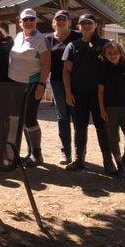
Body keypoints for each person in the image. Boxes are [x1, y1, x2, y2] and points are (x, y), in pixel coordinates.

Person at [62, 13, 125, 173]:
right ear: (79, 26)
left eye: (90, 23)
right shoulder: (72, 46)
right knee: (80, 127)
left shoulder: (106, 44)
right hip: (79, 94)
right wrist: (67, 92)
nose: (86, 25)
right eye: (83, 23)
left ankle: (108, 162)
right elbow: (66, 71)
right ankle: (79, 159)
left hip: (100, 95)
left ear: (95, 25)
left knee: (103, 127)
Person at [8, 9, 51, 167]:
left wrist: (41, 84)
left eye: (31, 19)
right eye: (25, 20)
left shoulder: (41, 39)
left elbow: (46, 64)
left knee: (30, 119)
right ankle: (30, 152)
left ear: (35, 21)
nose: (28, 22)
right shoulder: (19, 36)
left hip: (32, 84)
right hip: (16, 84)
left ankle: (37, 154)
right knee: (22, 120)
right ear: (20, 23)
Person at [45, 10, 81, 165]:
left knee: (77, 116)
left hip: (77, 82)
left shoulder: (77, 36)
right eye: (58, 19)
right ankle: (65, 152)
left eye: (63, 19)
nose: (61, 22)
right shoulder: (48, 39)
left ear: (69, 22)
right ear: (54, 22)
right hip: (57, 82)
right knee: (63, 116)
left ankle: (80, 153)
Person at [98, 41, 125, 179]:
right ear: (105, 54)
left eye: (115, 53)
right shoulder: (103, 69)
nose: (113, 56)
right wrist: (102, 110)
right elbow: (101, 92)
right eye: (110, 53)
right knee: (114, 138)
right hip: (110, 108)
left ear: (120, 53)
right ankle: (119, 164)